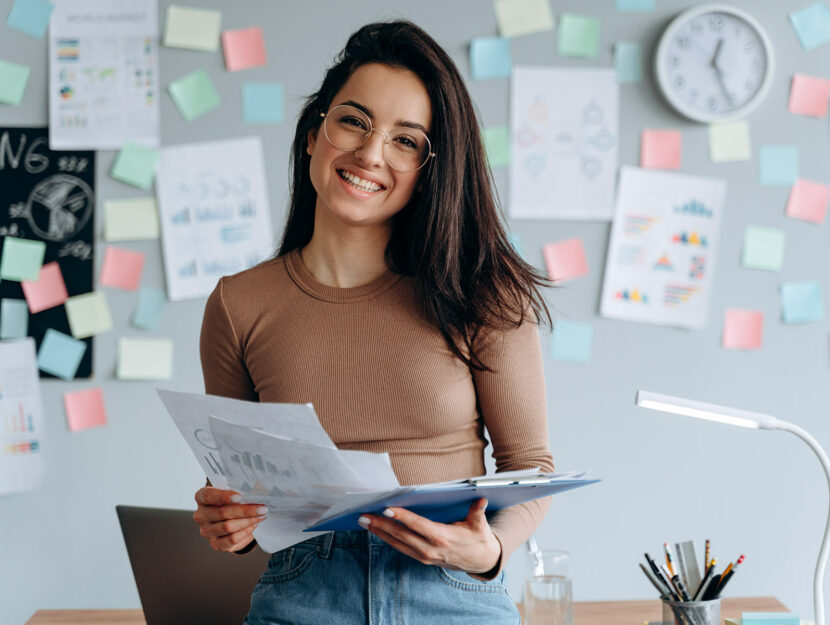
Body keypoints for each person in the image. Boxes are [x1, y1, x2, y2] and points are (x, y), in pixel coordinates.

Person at [192, 19, 554, 625]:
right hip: (301, 598)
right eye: (354, 121)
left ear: (427, 171)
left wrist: (489, 550)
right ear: (314, 134)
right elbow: (241, 495)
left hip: (451, 594)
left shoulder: (484, 294)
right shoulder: (237, 305)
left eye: (406, 141)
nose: (369, 154)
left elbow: (533, 468)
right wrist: (228, 524)